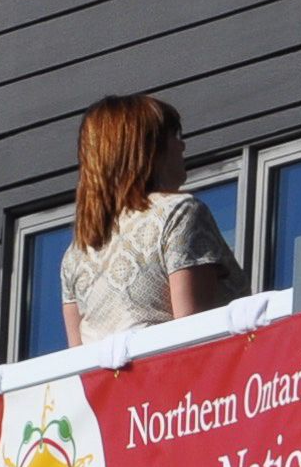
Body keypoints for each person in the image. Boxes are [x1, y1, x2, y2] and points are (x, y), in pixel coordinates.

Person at [58, 93, 242, 346]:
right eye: (173, 137)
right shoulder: (178, 214)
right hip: (178, 381)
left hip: (107, 386)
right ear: (146, 149)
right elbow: (196, 337)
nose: (182, 146)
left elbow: (76, 363)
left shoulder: (77, 253)